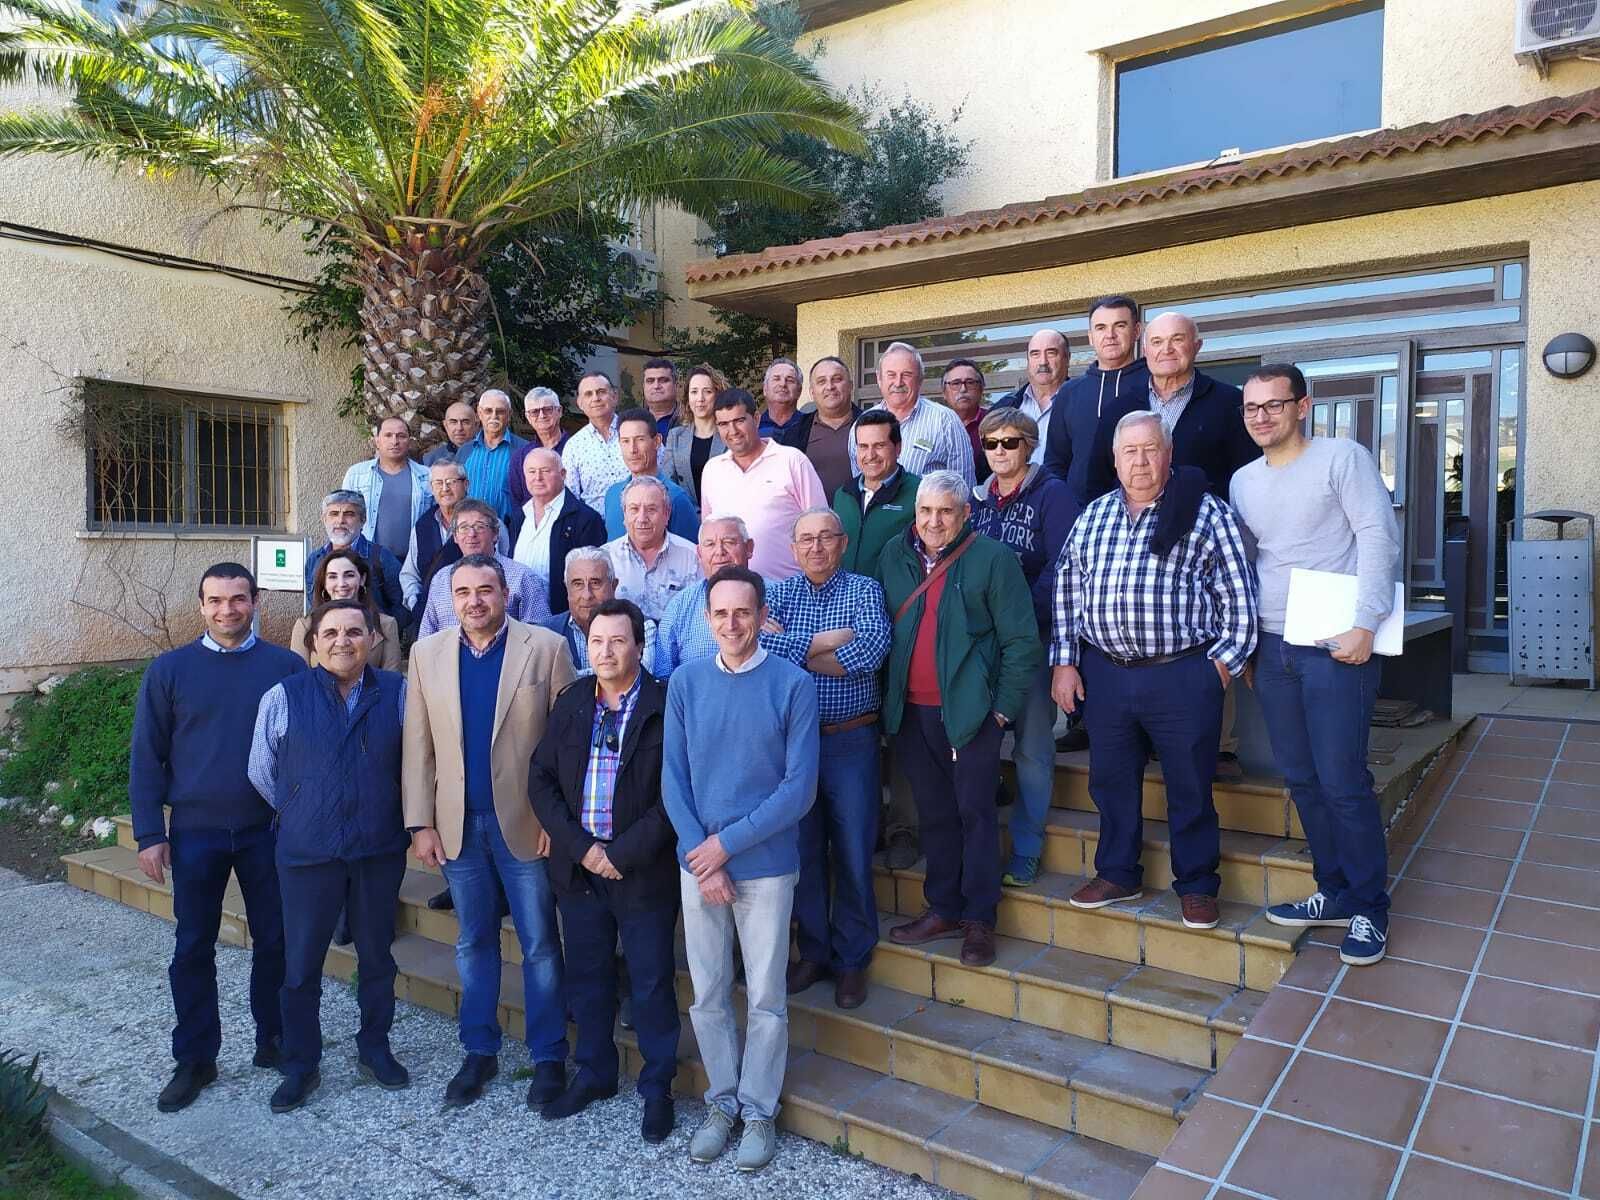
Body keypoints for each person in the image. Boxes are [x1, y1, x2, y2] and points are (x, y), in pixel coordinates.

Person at [1050, 411, 1257, 931]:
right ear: (1115, 459)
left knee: (1189, 784)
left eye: (1149, 450)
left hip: (1183, 674)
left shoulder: (1206, 514)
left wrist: (1223, 666)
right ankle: (1118, 872)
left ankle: (1197, 883)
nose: (1139, 461)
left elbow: (1240, 596)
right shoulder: (1093, 516)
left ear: (1167, 455)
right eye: (1129, 451)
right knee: (1111, 781)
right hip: (1108, 674)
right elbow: (1067, 593)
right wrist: (1065, 663)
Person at [1231, 364, 1401, 967]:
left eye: (1273, 405)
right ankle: (1334, 890)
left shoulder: (1341, 458)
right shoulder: (1243, 480)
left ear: (1303, 405)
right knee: (1300, 777)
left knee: (1342, 780)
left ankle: (1368, 907)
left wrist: (1366, 623)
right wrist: (1249, 643)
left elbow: (1378, 535)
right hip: (1275, 645)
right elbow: (1248, 565)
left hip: (1335, 642)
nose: (1261, 416)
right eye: (1251, 408)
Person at [129, 563, 306, 1113]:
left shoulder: (286, 668)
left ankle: (272, 1041)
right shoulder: (170, 670)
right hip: (195, 832)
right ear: (201, 605)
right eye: (215, 600)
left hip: (266, 831)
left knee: (275, 942)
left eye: (237, 599)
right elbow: (147, 756)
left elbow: (303, 753)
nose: (227, 609)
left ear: (256, 602)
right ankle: (196, 1058)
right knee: (192, 945)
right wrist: (148, 833)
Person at [404, 554, 576, 1108]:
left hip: (527, 824)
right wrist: (420, 821)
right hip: (457, 827)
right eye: (463, 592)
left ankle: (548, 1055)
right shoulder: (426, 654)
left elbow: (568, 742)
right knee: (473, 941)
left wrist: (560, 822)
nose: (474, 601)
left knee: (540, 945)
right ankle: (478, 1050)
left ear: (505, 594)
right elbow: (418, 746)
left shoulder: (544, 648)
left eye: (485, 590)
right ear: (450, 600)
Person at [663, 566, 818, 1173]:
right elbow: (674, 781)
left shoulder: (793, 685)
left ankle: (758, 1111)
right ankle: (721, 1104)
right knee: (705, 993)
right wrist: (703, 857)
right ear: (707, 618)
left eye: (743, 613)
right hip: (699, 864)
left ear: (761, 616)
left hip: (766, 867)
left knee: (766, 996)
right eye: (721, 613)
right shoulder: (685, 683)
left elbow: (798, 789)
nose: (732, 624)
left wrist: (723, 847)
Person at [247, 599, 409, 1113]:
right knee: (300, 966)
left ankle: (375, 1048)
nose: (344, 641)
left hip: (377, 850)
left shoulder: (400, 695)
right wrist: (300, 808)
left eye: (355, 632)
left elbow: (418, 762)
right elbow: (262, 770)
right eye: (332, 632)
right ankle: (301, 1064)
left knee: (378, 959)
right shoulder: (283, 696)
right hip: (307, 853)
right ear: (313, 642)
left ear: (373, 640)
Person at [528, 599, 679, 1141]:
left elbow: (675, 798)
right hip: (581, 871)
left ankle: (657, 1086)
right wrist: (582, 848)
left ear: (639, 646)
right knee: (587, 977)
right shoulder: (572, 702)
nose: (606, 651)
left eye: (618, 641)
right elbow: (540, 779)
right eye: (596, 642)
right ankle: (595, 1073)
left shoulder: (666, 705)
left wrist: (621, 853)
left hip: (641, 871)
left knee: (651, 980)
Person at [880, 472, 1040, 968]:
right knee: (935, 814)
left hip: (971, 715)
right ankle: (943, 907)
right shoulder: (894, 555)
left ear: (965, 514)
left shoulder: (992, 559)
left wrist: (1000, 711)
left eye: (945, 511)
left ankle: (979, 920)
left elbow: (1021, 642)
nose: (933, 521)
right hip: (911, 712)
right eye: (926, 511)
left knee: (975, 814)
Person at [1095, 311, 1261, 779]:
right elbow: (1099, 468)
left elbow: (1245, 474)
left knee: (1204, 623)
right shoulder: (1124, 402)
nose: (1166, 350)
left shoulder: (1226, 401)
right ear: (1143, 350)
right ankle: (1148, 736)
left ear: (1197, 345)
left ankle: (1222, 745)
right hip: (1134, 527)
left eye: (1177, 341)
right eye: (1157, 342)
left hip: (1202, 531)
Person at [763, 510, 890, 1010]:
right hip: (793, 745)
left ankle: (852, 958)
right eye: (806, 539)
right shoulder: (778, 594)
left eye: (825, 538)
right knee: (804, 851)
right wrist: (825, 644)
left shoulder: (863, 590)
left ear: (842, 542)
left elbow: (871, 652)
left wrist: (798, 651)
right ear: (794, 548)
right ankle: (814, 950)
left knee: (854, 852)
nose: (816, 547)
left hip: (850, 741)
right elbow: (764, 648)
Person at [969, 410, 1074, 887]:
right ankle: (981, 847)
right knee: (978, 745)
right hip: (981, 646)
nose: (998, 452)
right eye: (990, 443)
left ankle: (1027, 847)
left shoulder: (1052, 495)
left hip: (1030, 640)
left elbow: (1064, 565)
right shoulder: (977, 501)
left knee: (1032, 749)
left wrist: (1015, 612)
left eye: (1009, 443)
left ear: (1029, 445)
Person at [700, 388, 827, 581]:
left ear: (757, 419)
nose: (732, 431)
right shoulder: (712, 470)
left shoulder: (792, 460)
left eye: (739, 421)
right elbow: (709, 533)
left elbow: (820, 525)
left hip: (789, 593)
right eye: (724, 424)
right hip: (732, 596)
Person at [1042, 295, 1150, 516]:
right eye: (1101, 328)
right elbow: (1055, 463)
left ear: (1137, 331)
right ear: (1091, 337)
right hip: (1080, 517)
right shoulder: (1070, 392)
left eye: (1119, 326)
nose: (1109, 335)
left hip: (1146, 513)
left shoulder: (1153, 383)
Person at [416, 501, 551, 636]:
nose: (471, 534)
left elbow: (540, 636)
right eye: (463, 528)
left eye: (480, 527)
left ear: (496, 534)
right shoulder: (441, 579)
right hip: (448, 656)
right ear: (455, 537)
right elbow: (426, 635)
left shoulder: (522, 577)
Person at [849, 342, 974, 486]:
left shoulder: (945, 420)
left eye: (906, 375)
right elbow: (859, 484)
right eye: (891, 375)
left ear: (920, 379)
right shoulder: (862, 425)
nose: (898, 382)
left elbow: (965, 486)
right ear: (879, 378)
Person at [401, 460, 511, 616]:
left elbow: (505, 566)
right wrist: (417, 605)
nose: (444, 489)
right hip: (434, 615)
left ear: (466, 484)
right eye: (438, 483)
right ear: (431, 488)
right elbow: (409, 574)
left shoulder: (488, 523)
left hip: (480, 612)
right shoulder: (422, 526)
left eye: (451, 482)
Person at [507, 448, 606, 616]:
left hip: (563, 621)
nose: (537, 478)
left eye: (545, 471)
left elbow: (594, 580)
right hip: (519, 621)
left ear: (563, 474)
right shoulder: (518, 518)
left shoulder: (585, 520)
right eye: (531, 472)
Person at [655, 516, 757, 677]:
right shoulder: (679, 606)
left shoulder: (777, 596)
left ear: (749, 548)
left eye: (729, 542)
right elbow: (663, 676)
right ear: (699, 553)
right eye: (710, 544)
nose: (720, 552)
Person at [538, 548, 661, 677]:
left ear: (613, 586)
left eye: (595, 583)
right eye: (577, 584)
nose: (587, 595)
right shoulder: (545, 633)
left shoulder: (642, 627)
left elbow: (639, 676)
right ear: (567, 589)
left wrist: (568, 676)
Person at [833, 409, 918, 584]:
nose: (870, 455)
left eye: (879, 446)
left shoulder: (919, 493)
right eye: (863, 446)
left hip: (894, 604)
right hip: (846, 604)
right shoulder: (842, 495)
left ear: (898, 447)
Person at [339, 415, 433, 564]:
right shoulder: (356, 474)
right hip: (367, 561)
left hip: (413, 563)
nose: (394, 441)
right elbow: (343, 517)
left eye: (401, 436)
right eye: (388, 435)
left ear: (409, 441)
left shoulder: (427, 476)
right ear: (377, 440)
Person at [603, 477, 700, 620]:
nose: (642, 518)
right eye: (634, 509)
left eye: (651, 509)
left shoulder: (692, 558)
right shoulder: (605, 559)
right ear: (624, 514)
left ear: (667, 514)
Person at [291, 550, 402, 671]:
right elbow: (299, 682)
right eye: (333, 576)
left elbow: (392, 681)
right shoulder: (305, 626)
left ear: (362, 579)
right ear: (324, 583)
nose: (341, 583)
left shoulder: (387, 625)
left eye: (349, 575)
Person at [305, 490, 405, 622]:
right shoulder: (314, 560)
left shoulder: (381, 558)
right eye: (334, 514)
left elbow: (402, 607)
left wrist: (380, 634)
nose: (340, 521)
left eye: (349, 514)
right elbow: (314, 606)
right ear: (324, 520)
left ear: (363, 520)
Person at [602, 408, 700, 542]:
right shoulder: (612, 495)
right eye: (625, 441)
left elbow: (689, 555)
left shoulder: (676, 498)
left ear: (657, 441)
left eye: (640, 439)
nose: (632, 449)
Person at [994, 330, 1069, 467]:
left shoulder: (1083, 402)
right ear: (1028, 361)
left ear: (1067, 358)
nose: (1043, 362)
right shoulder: (1005, 406)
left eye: (1051, 353)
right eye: (1035, 354)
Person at [456, 389, 529, 521]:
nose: (494, 416)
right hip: (469, 534)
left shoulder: (524, 450)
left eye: (500, 411)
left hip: (509, 533)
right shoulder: (465, 451)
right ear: (479, 413)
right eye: (488, 411)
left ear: (509, 414)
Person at [661, 364, 727, 506]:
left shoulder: (729, 434)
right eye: (694, 392)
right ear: (687, 397)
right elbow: (668, 484)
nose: (700, 398)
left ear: (717, 394)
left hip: (724, 515)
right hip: (687, 516)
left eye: (707, 391)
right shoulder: (675, 437)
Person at [562, 371, 630, 510]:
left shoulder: (636, 432)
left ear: (615, 396)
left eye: (601, 392)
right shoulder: (574, 446)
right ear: (580, 403)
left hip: (640, 523)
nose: (596, 398)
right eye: (588, 394)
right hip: (594, 527)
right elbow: (570, 496)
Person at [803, 356, 861, 500]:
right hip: (813, 519)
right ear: (812, 392)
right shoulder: (795, 434)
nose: (830, 386)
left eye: (837, 379)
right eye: (822, 381)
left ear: (850, 386)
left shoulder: (870, 425)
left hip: (861, 518)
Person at [508, 387, 573, 511]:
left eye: (548, 409)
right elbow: (517, 503)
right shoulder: (521, 457)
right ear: (528, 417)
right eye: (535, 412)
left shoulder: (576, 449)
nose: (542, 415)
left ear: (559, 411)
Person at [941, 358, 989, 472]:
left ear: (981, 389)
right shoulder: (934, 425)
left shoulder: (995, 424)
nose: (963, 389)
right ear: (944, 393)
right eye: (955, 383)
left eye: (970, 382)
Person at [757, 357, 807, 447]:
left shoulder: (809, 427)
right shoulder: (753, 428)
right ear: (765, 389)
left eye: (790, 380)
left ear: (799, 391)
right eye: (776, 379)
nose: (783, 384)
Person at [422, 401, 479, 466]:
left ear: (476, 425)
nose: (459, 428)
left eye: (465, 422)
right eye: (453, 422)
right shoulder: (430, 460)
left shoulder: (488, 455)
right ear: (445, 425)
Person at [641, 357, 680, 437]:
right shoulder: (633, 421)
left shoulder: (691, 421)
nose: (656, 386)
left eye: (663, 380)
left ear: (676, 385)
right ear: (643, 386)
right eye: (650, 381)